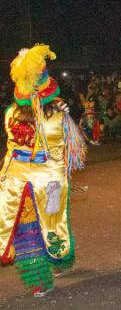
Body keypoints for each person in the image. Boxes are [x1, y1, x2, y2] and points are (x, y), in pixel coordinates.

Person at [0, 45, 86, 297]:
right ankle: (51, 268)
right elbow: (73, 154)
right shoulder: (60, 118)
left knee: (28, 230)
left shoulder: (10, 114)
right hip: (48, 182)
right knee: (52, 225)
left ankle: (44, 277)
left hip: (17, 180)